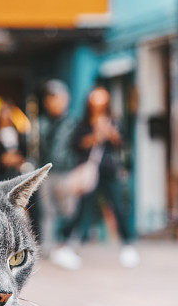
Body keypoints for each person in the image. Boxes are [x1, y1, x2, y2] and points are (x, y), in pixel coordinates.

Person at [52, 86, 139, 269]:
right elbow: (75, 145)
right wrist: (95, 136)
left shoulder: (113, 121)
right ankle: (67, 244)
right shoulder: (82, 123)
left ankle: (128, 245)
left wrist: (111, 134)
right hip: (89, 173)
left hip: (109, 171)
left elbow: (122, 143)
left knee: (118, 206)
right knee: (81, 209)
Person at [0, 103, 42, 240]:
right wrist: (6, 159)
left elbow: (24, 153)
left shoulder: (19, 133)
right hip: (3, 174)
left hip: (17, 172)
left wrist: (16, 159)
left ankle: (35, 234)